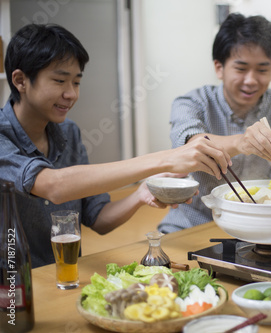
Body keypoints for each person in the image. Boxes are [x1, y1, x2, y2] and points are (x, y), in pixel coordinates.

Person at [0, 23, 231, 268]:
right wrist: (165, 159)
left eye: (76, 83)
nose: (71, 94)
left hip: (65, 276)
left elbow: (99, 219)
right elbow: (54, 185)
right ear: (20, 80)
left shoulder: (68, 133)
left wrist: (142, 194)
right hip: (12, 289)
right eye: (59, 81)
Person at [158, 13, 271, 233]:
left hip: (260, 228)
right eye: (241, 69)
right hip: (193, 223)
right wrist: (242, 142)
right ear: (219, 68)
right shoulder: (192, 102)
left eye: (262, 70)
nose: (251, 80)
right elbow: (190, 145)